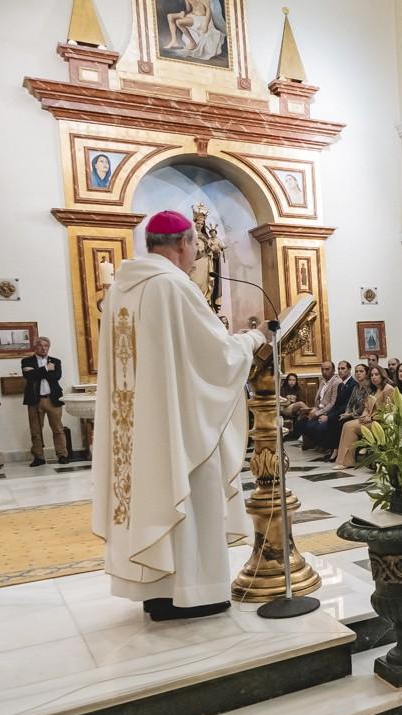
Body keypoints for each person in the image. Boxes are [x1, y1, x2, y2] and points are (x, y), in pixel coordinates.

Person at [93, 210, 266, 621]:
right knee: (190, 497)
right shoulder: (174, 286)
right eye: (193, 248)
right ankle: (195, 593)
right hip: (177, 425)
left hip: (136, 427)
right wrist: (255, 338)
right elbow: (218, 356)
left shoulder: (121, 288)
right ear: (183, 243)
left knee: (151, 496)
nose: (195, 257)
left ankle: (157, 593)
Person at [336, 365, 394, 469]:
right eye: (371, 375)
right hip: (369, 419)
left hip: (380, 422)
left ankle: (347, 462)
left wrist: (372, 418)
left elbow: (389, 411)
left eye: (376, 374)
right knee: (346, 424)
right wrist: (363, 416)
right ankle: (343, 461)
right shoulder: (373, 389)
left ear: (382, 375)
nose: (374, 377)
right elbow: (367, 407)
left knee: (350, 427)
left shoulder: (388, 389)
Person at [21, 335, 67, 466]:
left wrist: (37, 372)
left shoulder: (56, 361)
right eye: (40, 345)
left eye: (46, 346)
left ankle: (62, 454)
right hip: (34, 401)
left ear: (49, 347)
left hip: (52, 400)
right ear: (35, 347)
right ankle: (39, 457)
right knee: (35, 430)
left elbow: (56, 377)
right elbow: (29, 376)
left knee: (58, 429)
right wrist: (46, 369)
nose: (43, 348)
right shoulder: (27, 361)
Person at [305, 360, 354, 456]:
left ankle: (330, 447)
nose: (340, 371)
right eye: (322, 369)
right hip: (331, 411)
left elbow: (338, 404)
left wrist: (327, 416)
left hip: (343, 413)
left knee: (321, 426)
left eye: (343, 368)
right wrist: (316, 409)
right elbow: (322, 400)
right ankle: (323, 445)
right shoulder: (338, 384)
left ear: (349, 370)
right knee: (306, 424)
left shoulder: (343, 383)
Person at [285, 361, 339, 445]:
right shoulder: (322, 381)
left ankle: (323, 445)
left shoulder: (336, 382)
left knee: (311, 424)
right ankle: (310, 443)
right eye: (322, 369)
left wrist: (317, 413)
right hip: (318, 408)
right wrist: (315, 408)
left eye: (327, 369)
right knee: (301, 422)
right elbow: (318, 399)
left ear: (333, 370)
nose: (324, 372)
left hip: (327, 412)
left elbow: (332, 403)